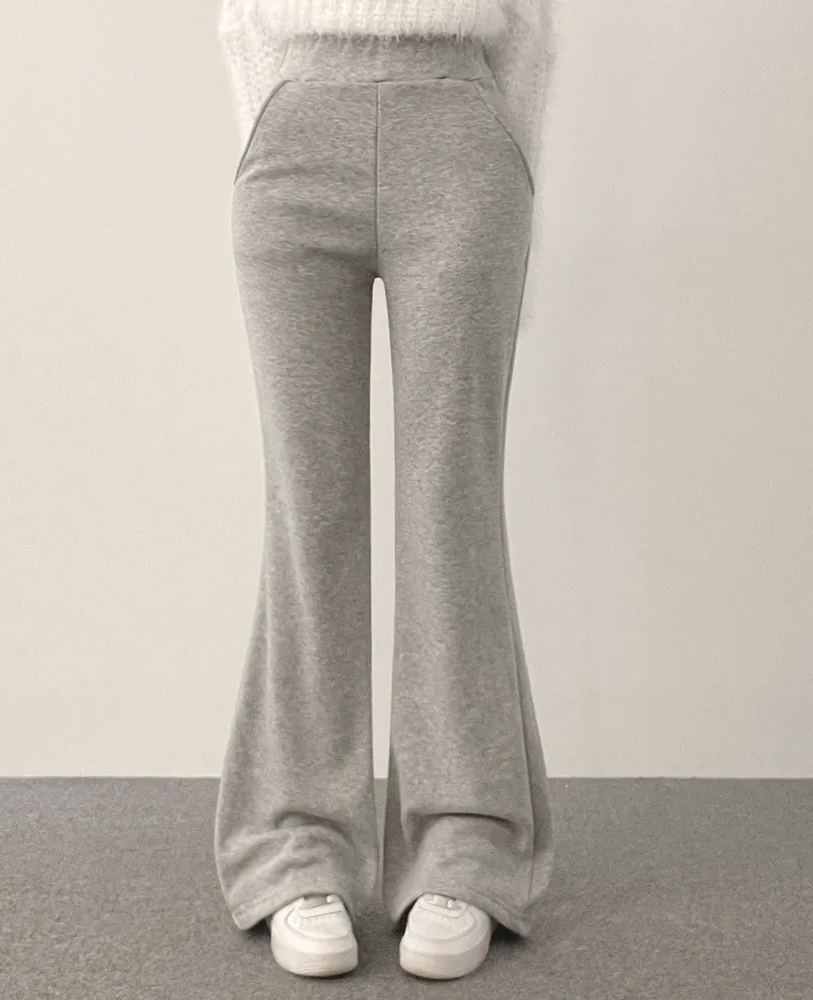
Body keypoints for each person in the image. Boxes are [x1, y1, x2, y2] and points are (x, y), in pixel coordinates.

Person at [212, 0, 558, 981]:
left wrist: (517, 196)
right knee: (306, 512)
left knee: (452, 508)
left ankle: (465, 844)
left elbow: (530, 26)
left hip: (459, 129)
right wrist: (273, 119)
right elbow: (239, 17)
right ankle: (298, 842)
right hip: (294, 124)